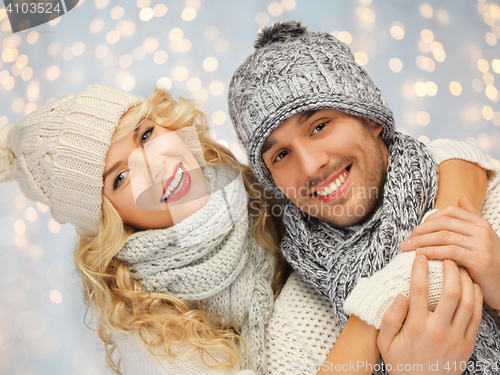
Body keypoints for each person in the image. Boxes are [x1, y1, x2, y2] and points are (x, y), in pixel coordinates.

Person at [0, 84, 488, 375]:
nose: (156, 164)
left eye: (146, 135)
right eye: (121, 177)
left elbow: (439, 158)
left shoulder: (250, 186)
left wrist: (420, 260)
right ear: (109, 221)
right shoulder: (147, 328)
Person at [228, 21, 500, 373]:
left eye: (320, 126)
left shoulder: (487, 213)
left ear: (370, 118)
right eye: (280, 155)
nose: (311, 166)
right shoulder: (295, 327)